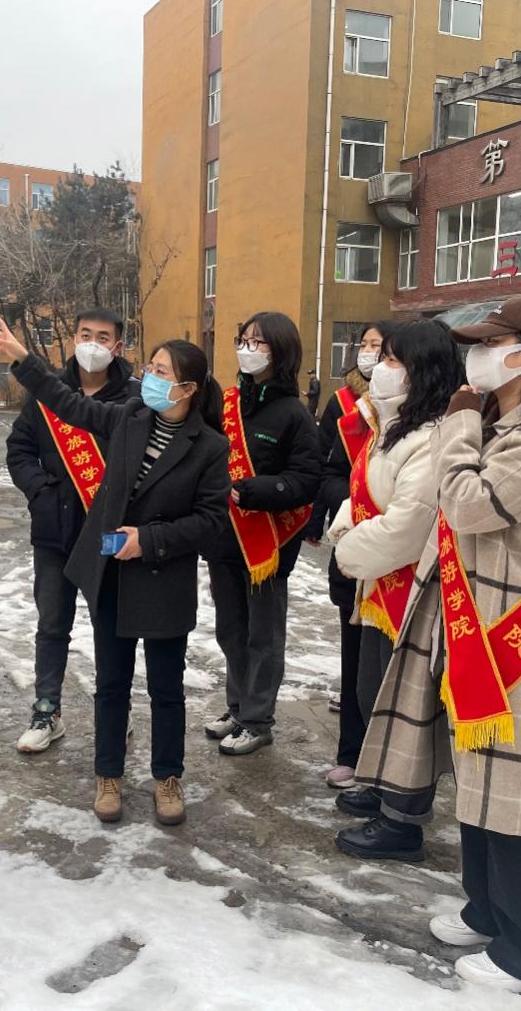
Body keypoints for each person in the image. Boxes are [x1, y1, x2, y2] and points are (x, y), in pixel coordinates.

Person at [351, 296, 521, 994]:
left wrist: (455, 423)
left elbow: (467, 504)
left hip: (518, 642)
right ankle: (487, 912)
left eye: (490, 343)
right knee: (482, 787)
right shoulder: (499, 420)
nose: (475, 357)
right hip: (472, 629)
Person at [0, 315, 230, 826]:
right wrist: (22, 359)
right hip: (112, 576)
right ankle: (108, 776)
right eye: (150, 368)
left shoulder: (209, 446)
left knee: (167, 689)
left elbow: (210, 522)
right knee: (111, 684)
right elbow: (67, 402)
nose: (150, 378)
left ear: (188, 389)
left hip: (164, 581)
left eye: (162, 372)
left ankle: (167, 778)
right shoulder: (129, 417)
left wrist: (150, 540)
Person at [323, 320, 461, 798]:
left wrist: (347, 551)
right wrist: (345, 525)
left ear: (422, 370)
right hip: (378, 587)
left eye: (392, 359)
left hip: (410, 593)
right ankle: (379, 784)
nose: (380, 368)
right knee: (371, 692)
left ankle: (402, 805)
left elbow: (406, 527)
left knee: (403, 702)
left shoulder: (433, 437)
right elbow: (362, 490)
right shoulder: (393, 426)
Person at [4, 308, 139, 754]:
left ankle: (115, 710)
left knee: (111, 629)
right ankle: (47, 710)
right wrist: (41, 492)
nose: (92, 344)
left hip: (109, 537)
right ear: (73, 338)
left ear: (117, 346)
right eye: (85, 335)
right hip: (55, 531)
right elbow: (19, 449)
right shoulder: (48, 391)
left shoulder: (134, 399)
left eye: (102, 337)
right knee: (52, 624)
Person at [203, 312, 321, 756]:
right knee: (230, 631)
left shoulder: (294, 414)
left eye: (258, 342)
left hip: (267, 546)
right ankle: (237, 708)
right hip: (224, 539)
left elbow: (305, 480)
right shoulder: (227, 403)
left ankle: (257, 719)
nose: (247, 349)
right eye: (243, 339)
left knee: (262, 638)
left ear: (281, 351)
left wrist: (257, 490)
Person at [304, 322, 385, 722]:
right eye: (364, 344)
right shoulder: (342, 402)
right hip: (351, 528)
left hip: (391, 548)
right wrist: (319, 517)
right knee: (352, 632)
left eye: (378, 346)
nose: (368, 352)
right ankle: (352, 706)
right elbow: (327, 465)